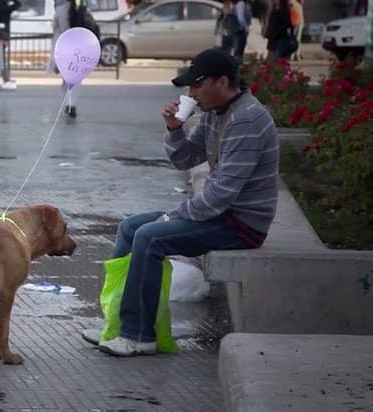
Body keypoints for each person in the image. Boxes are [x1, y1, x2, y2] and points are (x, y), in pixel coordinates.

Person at [95, 48, 279, 356]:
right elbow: (186, 159)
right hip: (221, 215)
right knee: (130, 228)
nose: (190, 92)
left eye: (196, 85)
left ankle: (139, 335)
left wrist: (172, 216)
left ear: (221, 82)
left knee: (149, 237)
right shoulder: (216, 114)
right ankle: (116, 326)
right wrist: (174, 128)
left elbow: (222, 194)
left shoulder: (246, 120)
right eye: (188, 87)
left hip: (241, 224)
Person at [49, 0, 81, 118]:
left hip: (66, 45)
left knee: (68, 78)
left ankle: (69, 104)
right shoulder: (74, 6)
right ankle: (70, 103)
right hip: (76, 44)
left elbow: (64, 29)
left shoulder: (61, 7)